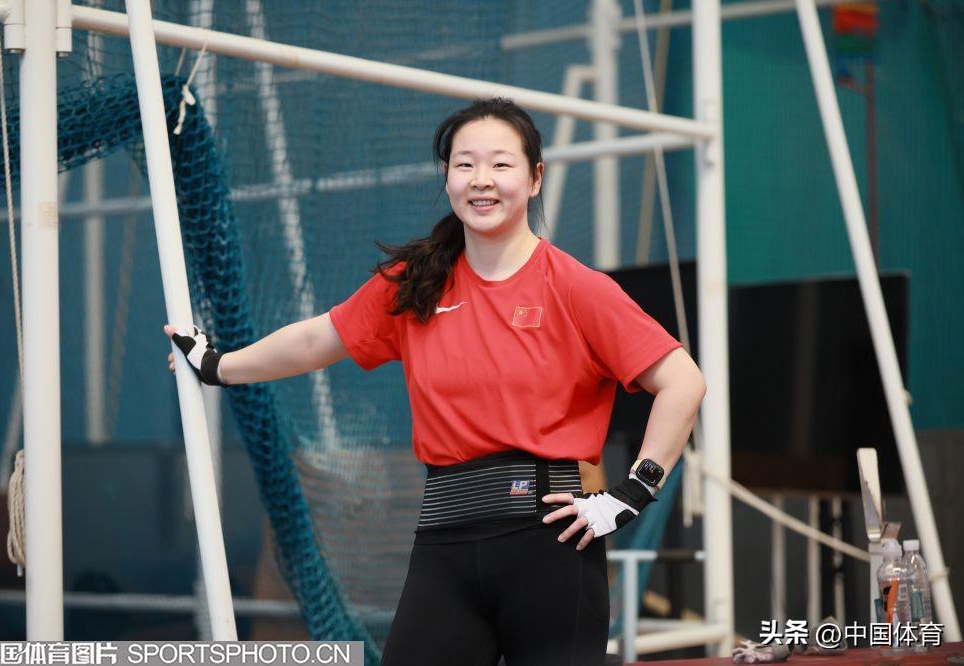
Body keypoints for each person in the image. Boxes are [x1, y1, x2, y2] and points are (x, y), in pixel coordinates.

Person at [165, 97, 705, 665]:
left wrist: (631, 494)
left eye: (501, 164)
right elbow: (316, 340)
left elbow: (683, 382)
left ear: (535, 178)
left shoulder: (575, 287)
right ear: (447, 178)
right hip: (444, 543)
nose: (481, 179)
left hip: (550, 542)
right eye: (465, 164)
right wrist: (218, 366)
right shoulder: (415, 283)